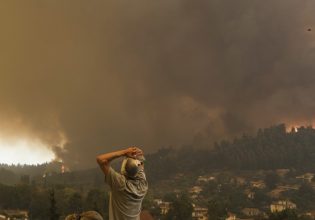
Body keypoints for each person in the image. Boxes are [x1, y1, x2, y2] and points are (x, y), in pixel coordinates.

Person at [96, 147, 148, 220]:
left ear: (123, 168)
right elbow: (140, 167)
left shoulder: (119, 183)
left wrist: (124, 152)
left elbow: (100, 159)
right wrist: (138, 155)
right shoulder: (143, 185)